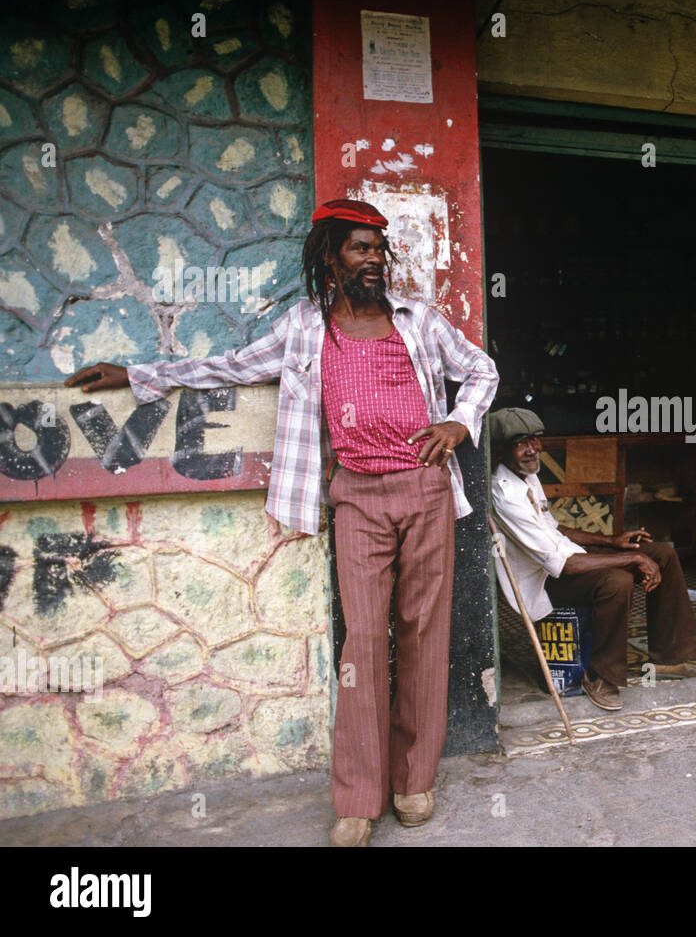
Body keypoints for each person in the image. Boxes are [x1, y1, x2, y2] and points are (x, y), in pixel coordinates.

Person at [64, 199, 499, 846]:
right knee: (361, 644)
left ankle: (414, 779)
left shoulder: (418, 321)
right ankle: (357, 796)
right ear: (331, 257)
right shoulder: (303, 329)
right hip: (356, 496)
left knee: (423, 632)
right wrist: (137, 374)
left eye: (379, 248)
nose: (375, 259)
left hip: (426, 490)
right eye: (360, 248)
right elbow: (229, 367)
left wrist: (458, 421)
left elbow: (481, 370)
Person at [488, 407, 696, 712]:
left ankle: (670, 657)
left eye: (535, 440)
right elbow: (564, 565)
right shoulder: (504, 494)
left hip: (566, 561)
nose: (533, 449)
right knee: (616, 581)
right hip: (542, 582)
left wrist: (613, 541)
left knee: (662, 553)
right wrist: (631, 558)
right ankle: (600, 675)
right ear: (500, 450)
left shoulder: (526, 474)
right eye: (521, 443)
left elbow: (554, 529)